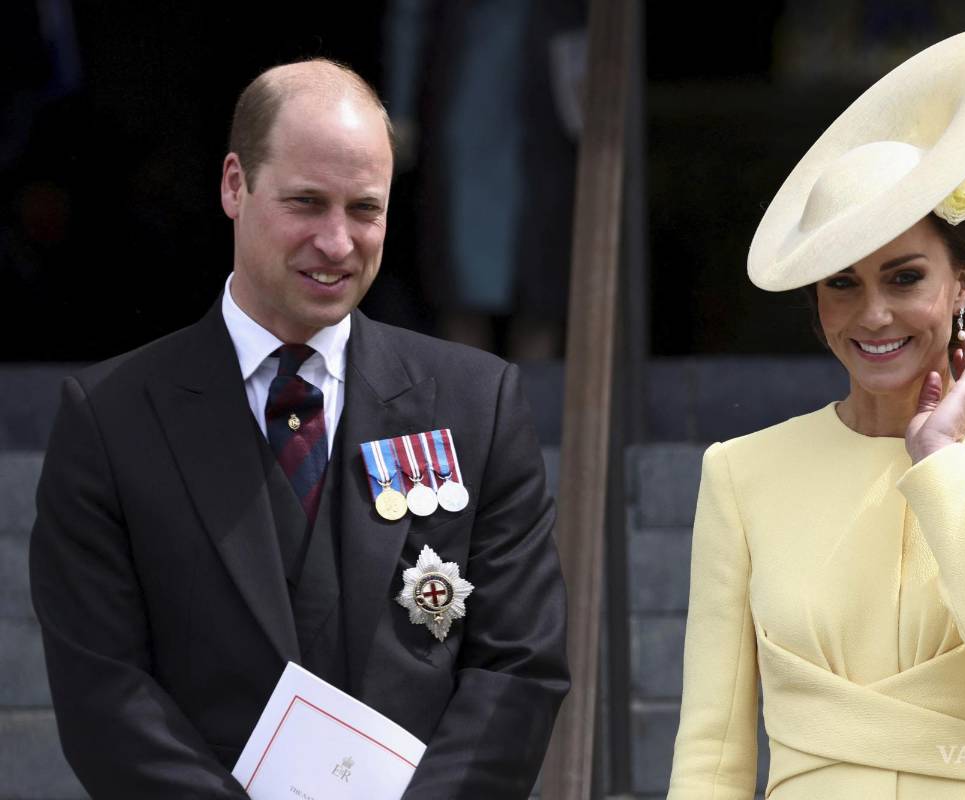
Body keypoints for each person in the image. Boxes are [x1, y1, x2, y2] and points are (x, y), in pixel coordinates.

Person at [28, 58, 568, 798]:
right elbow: (105, 693)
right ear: (233, 186)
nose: (338, 242)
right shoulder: (111, 420)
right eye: (307, 203)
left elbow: (518, 665)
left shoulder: (478, 403)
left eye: (365, 209)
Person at [667, 29, 965, 799]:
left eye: (904, 277)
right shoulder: (740, 472)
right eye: (843, 284)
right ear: (817, 302)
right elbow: (712, 749)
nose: (873, 314)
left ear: (961, 287)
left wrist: (941, 464)